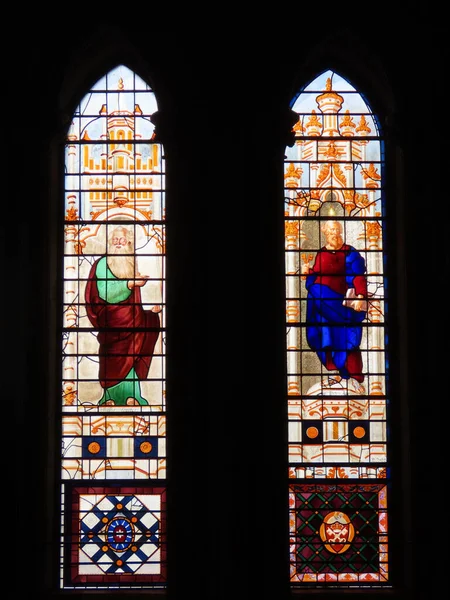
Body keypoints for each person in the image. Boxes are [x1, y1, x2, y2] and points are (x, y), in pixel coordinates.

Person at [84, 225, 161, 406]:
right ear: (110, 243)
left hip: (130, 321)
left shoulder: (129, 263)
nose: (118, 243)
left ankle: (131, 396)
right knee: (111, 358)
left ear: (128, 243)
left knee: (132, 353)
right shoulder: (103, 264)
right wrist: (130, 284)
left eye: (122, 240)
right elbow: (106, 293)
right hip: (109, 321)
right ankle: (109, 398)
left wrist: (149, 315)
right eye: (115, 240)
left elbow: (133, 306)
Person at [301, 220, 368, 393]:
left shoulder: (349, 252)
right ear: (325, 232)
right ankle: (341, 374)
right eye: (331, 230)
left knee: (347, 339)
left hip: (342, 306)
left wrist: (361, 296)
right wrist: (307, 273)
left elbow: (358, 275)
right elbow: (316, 274)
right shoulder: (321, 254)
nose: (335, 233)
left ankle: (353, 377)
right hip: (322, 307)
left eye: (337, 230)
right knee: (327, 339)